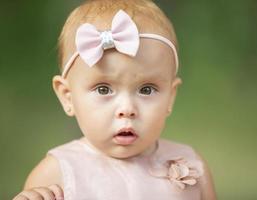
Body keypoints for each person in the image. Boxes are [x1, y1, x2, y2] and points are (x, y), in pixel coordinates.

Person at [13, 0, 216, 199]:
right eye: (103, 89)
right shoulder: (54, 174)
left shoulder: (192, 165)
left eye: (146, 89)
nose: (127, 109)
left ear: (170, 97)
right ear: (68, 97)